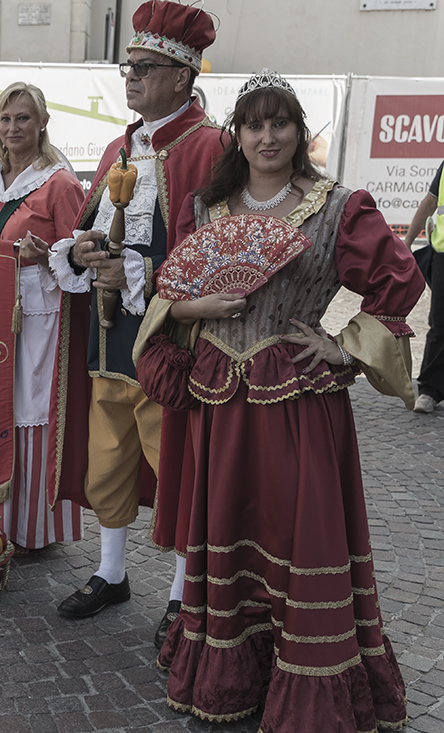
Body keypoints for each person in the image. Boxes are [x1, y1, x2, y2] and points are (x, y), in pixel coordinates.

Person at [141, 69, 417, 733]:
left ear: (300, 131)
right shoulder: (207, 208)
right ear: (236, 134)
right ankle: (232, 676)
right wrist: (194, 304)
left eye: (281, 122)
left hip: (298, 401)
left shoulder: (338, 206)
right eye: (255, 124)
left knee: (301, 536)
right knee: (227, 532)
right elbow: (171, 287)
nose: (268, 137)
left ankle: (308, 688)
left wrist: (345, 347)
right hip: (218, 400)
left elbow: (398, 281)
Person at [26, 0, 223, 644]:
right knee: (107, 459)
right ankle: (112, 573)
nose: (131, 77)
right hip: (109, 339)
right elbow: (87, 224)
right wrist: (79, 249)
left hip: (172, 342)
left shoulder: (209, 147)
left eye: (145, 67)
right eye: (128, 66)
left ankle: (181, 591)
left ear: (183, 75)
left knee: (177, 467)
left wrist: (139, 270)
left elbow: (217, 256)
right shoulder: (120, 144)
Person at [0, 82, 87, 551]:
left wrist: (47, 254)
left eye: (22, 118)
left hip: (39, 315)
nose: (12, 127)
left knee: (30, 410)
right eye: (5, 118)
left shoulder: (59, 183)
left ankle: (35, 527)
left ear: (42, 124)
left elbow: (81, 256)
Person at [402, 165, 443, 414]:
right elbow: (430, 202)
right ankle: (430, 390)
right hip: (443, 253)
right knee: (440, 323)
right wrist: (407, 241)